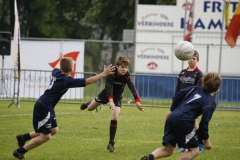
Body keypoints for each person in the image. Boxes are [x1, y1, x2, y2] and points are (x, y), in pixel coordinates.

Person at [13, 53, 115, 160]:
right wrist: (104, 74)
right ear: (72, 68)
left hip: (48, 106)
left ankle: (23, 137)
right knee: (46, 136)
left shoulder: (57, 72)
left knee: (54, 130)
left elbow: (57, 67)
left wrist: (62, 59)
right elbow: (88, 81)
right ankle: (19, 152)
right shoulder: (67, 80)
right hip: (44, 107)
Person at [141, 72, 222, 160]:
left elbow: (179, 94)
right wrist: (206, 140)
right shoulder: (211, 102)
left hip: (172, 118)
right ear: (218, 87)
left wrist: (172, 110)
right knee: (194, 151)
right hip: (184, 121)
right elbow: (204, 123)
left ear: (204, 82)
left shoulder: (194, 89)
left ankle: (150, 157)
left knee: (168, 150)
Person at [80, 56, 145, 152]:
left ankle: (110, 144)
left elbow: (133, 88)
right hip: (106, 94)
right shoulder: (112, 73)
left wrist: (137, 102)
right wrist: (110, 100)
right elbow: (109, 87)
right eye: (122, 67)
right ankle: (89, 102)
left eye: (126, 67)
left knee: (114, 116)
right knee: (89, 108)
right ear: (117, 66)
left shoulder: (126, 75)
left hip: (117, 97)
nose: (124, 69)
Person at [173, 50, 204, 153]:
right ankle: (182, 145)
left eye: (194, 59)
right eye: (190, 58)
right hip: (181, 102)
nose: (191, 60)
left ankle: (200, 142)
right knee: (181, 122)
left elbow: (199, 89)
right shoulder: (183, 72)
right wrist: (174, 99)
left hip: (192, 102)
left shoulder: (198, 73)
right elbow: (178, 87)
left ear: (197, 60)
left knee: (194, 123)